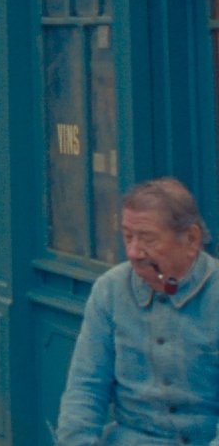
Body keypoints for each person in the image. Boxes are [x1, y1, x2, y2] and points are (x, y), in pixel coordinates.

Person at [57, 178, 219, 444]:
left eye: (147, 239)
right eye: (128, 237)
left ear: (191, 239)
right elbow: (85, 388)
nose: (133, 252)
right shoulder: (110, 290)